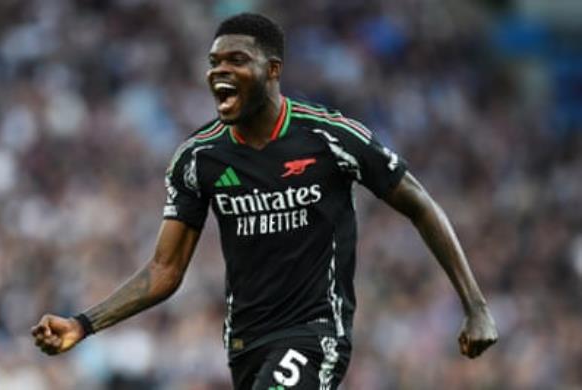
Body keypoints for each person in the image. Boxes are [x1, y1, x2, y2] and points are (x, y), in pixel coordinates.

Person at [32, 13, 498, 389]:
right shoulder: (199, 158)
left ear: (272, 70)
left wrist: (475, 305)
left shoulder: (330, 136)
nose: (220, 72)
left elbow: (419, 203)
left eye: (236, 60)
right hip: (246, 345)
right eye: (214, 63)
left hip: (316, 333)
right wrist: (82, 324)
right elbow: (164, 270)